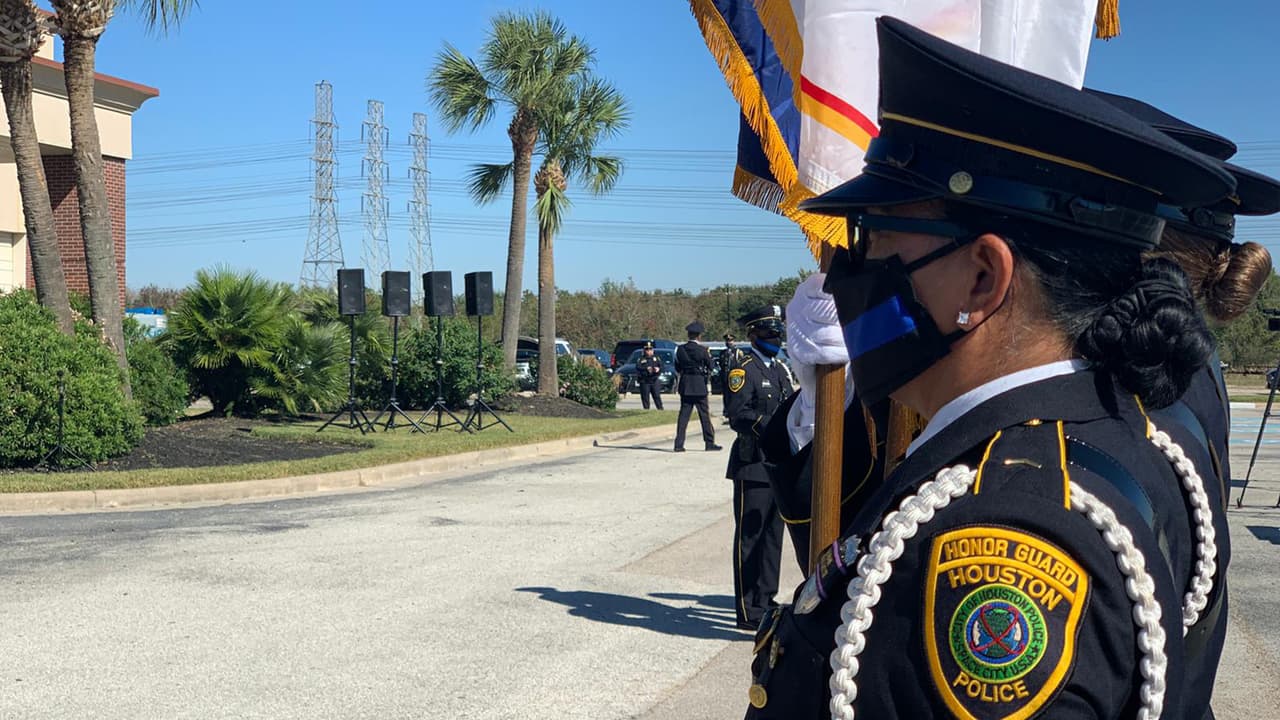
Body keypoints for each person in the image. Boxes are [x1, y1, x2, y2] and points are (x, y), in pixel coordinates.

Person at [743, 18, 1232, 719]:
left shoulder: (1004, 535)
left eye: (876, 237)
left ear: (982, 277)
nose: (847, 271)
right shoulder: (1087, 430)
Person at [725, 305, 795, 630]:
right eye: (769, 334)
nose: (775, 339)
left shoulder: (780, 369)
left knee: (773, 536)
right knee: (750, 536)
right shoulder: (744, 370)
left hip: (778, 465)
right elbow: (738, 414)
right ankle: (747, 609)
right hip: (752, 464)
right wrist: (771, 426)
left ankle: (766, 599)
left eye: (777, 334)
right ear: (753, 335)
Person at [674, 321, 722, 452]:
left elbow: (677, 367)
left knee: (683, 417)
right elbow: (711, 366)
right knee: (704, 416)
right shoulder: (702, 350)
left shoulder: (680, 349)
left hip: (686, 385)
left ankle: (679, 444)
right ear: (699, 336)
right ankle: (709, 442)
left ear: (688, 335)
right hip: (699, 385)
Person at [634, 342, 665, 410]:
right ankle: (646, 410)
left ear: (653, 350)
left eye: (650, 349)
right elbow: (638, 367)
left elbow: (662, 366)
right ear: (644, 350)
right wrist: (646, 368)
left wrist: (658, 369)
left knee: (657, 396)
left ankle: (660, 409)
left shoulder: (656, 358)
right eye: (647, 349)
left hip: (654, 380)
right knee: (645, 397)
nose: (649, 351)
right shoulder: (641, 359)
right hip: (645, 381)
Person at [720, 333, 743, 420]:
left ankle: (734, 410)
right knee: (726, 395)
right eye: (727, 341)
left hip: (734, 376)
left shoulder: (738, 352)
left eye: (730, 341)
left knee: (734, 394)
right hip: (725, 376)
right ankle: (726, 410)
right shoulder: (723, 353)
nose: (729, 342)